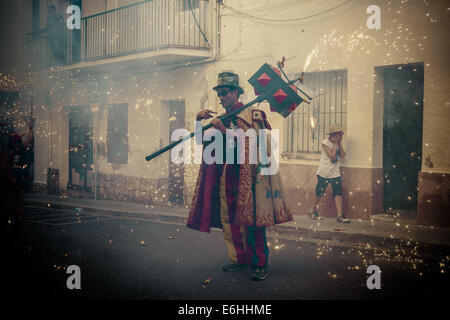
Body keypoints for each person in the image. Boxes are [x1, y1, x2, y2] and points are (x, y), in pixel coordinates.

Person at [187, 71, 293, 281]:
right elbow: (201, 141)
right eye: (219, 94)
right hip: (228, 175)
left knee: (253, 221)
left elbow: (254, 142)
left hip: (251, 178)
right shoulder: (223, 118)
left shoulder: (252, 114)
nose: (221, 97)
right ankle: (240, 259)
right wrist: (198, 121)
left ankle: (260, 264)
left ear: (236, 93)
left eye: (224, 92)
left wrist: (224, 130)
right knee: (230, 220)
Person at [310, 123, 350, 223]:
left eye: (342, 134)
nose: (341, 136)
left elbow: (342, 155)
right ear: (334, 134)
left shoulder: (338, 142)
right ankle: (312, 211)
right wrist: (336, 144)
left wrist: (339, 143)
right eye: (340, 134)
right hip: (323, 172)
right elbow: (332, 156)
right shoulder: (325, 143)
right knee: (320, 193)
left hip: (335, 173)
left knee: (338, 193)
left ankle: (339, 216)